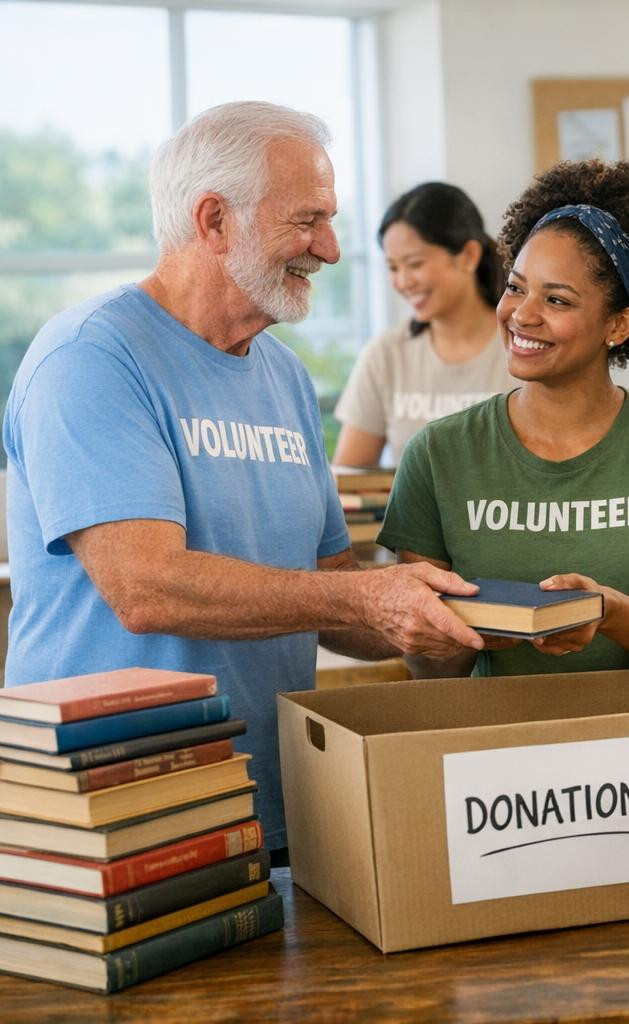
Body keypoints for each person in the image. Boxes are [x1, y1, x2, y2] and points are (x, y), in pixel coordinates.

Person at [1, 102, 485, 857]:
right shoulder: (90, 359)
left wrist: (466, 617)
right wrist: (366, 595)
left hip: (267, 805)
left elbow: (330, 602)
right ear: (214, 220)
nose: (328, 248)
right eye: (307, 220)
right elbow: (146, 586)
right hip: (109, 818)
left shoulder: (286, 377)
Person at [378, 159, 629, 683]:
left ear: (618, 324)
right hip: (495, 747)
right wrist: (456, 630)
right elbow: (433, 671)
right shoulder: (438, 455)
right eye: (515, 287)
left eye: (556, 299)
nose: (522, 315)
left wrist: (609, 613)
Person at [333, 182, 513, 468]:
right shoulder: (386, 354)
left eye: (414, 264)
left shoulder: (523, 348)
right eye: (393, 267)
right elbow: (349, 479)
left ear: (468, 256)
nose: (403, 282)